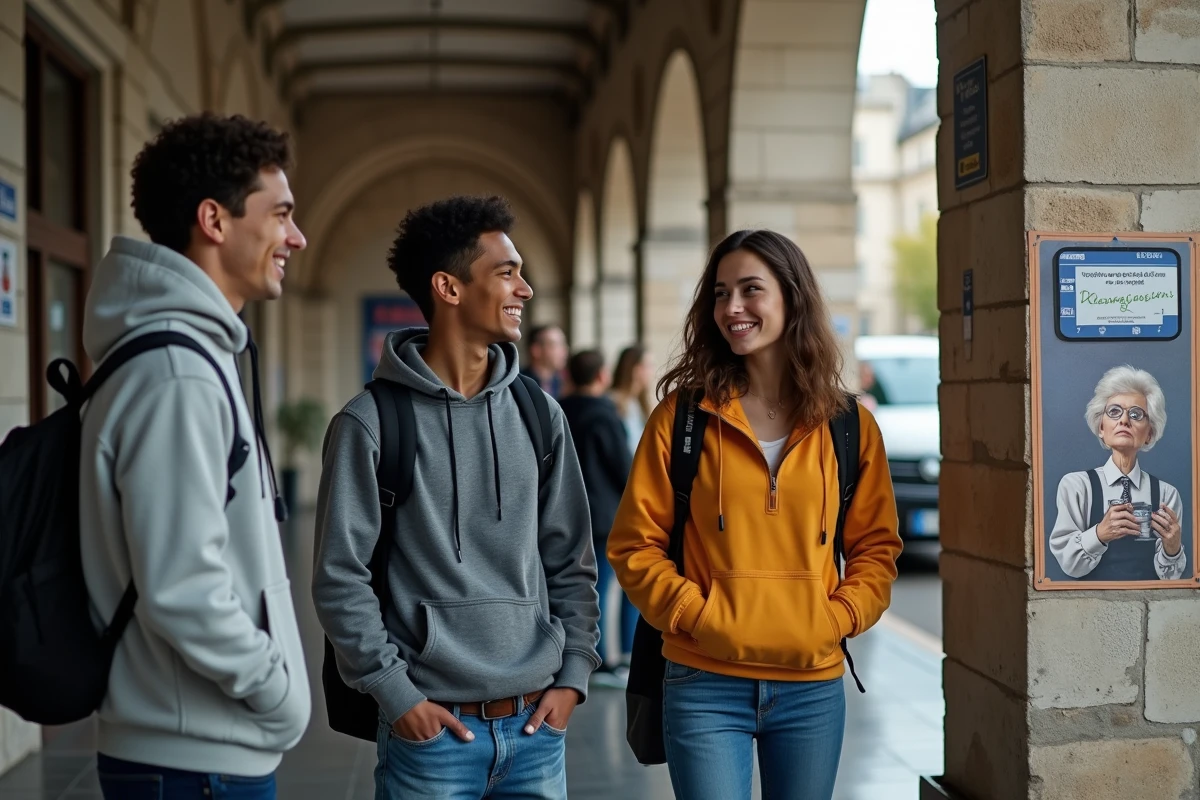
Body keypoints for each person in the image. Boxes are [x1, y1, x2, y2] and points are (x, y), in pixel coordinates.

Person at [312, 195, 600, 800]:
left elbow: (572, 558)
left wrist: (573, 676)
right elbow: (340, 577)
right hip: (431, 734)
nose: (524, 288)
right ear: (448, 287)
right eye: (506, 272)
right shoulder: (369, 424)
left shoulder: (538, 413)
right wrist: (397, 697)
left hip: (535, 727)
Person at [607, 229, 902, 800]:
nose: (731, 308)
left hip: (811, 685)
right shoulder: (682, 417)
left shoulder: (849, 425)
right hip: (703, 679)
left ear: (792, 297)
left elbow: (876, 549)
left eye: (750, 290)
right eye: (720, 293)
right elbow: (633, 545)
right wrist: (696, 614)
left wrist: (836, 620)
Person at [79, 113, 311, 799]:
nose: (294, 237)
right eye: (281, 215)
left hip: (192, 744)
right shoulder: (177, 374)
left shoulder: (184, 355)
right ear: (214, 219)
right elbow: (183, 588)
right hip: (194, 757)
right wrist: (278, 692)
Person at [1049, 365, 1186, 581]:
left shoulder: (1167, 494)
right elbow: (1069, 564)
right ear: (1101, 427)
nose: (1124, 421)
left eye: (1136, 414)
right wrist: (1100, 534)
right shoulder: (1077, 486)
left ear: (1149, 433)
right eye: (1114, 412)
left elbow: (1170, 579)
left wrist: (1173, 548)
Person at [559, 349, 634, 687]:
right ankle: (601, 658)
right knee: (601, 584)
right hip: (602, 513)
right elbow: (624, 467)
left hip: (564, 510)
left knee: (574, 583)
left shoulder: (558, 408)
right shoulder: (605, 414)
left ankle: (580, 654)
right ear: (602, 376)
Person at [610, 343, 655, 454]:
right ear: (636, 369)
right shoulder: (613, 403)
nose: (652, 371)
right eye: (649, 365)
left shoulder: (642, 403)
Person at [521, 323, 568, 398]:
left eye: (563, 344)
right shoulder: (519, 384)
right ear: (536, 350)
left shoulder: (564, 385)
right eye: (556, 345)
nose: (564, 350)